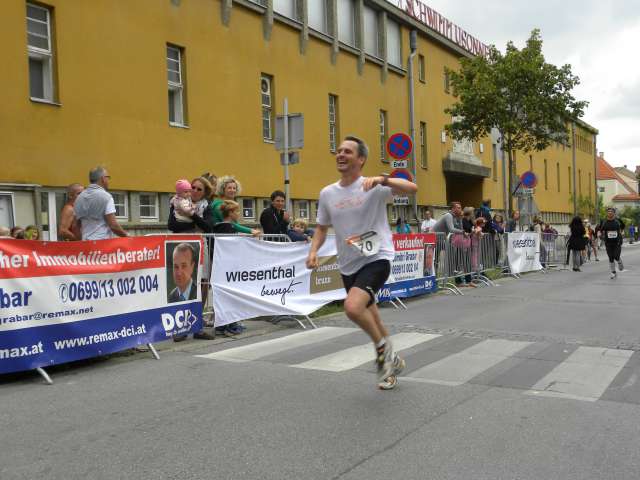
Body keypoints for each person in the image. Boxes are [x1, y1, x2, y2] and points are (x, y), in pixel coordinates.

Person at [306, 135, 417, 390]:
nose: (340, 154)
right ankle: (392, 364)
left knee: (353, 308)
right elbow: (322, 227)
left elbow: (412, 189)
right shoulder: (328, 193)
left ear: (361, 159)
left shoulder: (372, 186)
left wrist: (384, 179)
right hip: (349, 263)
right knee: (373, 318)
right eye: (339, 151)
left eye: (347, 151)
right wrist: (313, 252)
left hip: (377, 256)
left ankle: (382, 353)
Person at [74, 167, 128, 240]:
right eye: (108, 177)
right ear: (103, 178)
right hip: (102, 243)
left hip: (86, 243)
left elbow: (76, 226)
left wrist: (81, 242)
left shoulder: (79, 198)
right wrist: (128, 236)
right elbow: (113, 225)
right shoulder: (106, 197)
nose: (108, 180)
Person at [599, 207, 625, 279]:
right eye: (608, 211)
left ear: (614, 213)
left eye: (611, 211)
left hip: (617, 242)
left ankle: (619, 262)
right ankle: (613, 272)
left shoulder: (618, 220)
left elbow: (623, 227)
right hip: (608, 242)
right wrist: (600, 234)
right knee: (611, 257)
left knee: (616, 256)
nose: (610, 212)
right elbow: (600, 229)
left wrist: (622, 232)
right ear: (607, 213)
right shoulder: (604, 221)